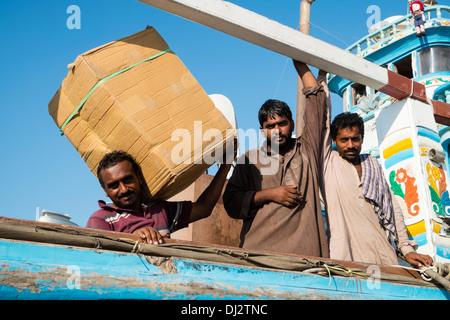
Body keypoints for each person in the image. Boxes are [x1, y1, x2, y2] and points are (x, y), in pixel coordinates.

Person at [222, 61, 329, 257]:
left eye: (283, 123)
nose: (277, 130)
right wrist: (269, 194)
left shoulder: (307, 149)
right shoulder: (249, 159)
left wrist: (299, 61)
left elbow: (316, 101)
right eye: (271, 126)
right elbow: (230, 203)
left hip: (307, 258)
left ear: (293, 124)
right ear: (263, 131)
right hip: (259, 256)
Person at [321, 95, 433, 267]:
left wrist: (406, 248)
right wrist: (321, 72)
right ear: (334, 141)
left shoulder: (372, 163)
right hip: (345, 258)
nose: (350, 145)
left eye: (355, 139)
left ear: (362, 138)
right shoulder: (329, 161)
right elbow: (319, 115)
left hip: (383, 256)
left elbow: (393, 209)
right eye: (344, 140)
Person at [86, 146, 235, 245]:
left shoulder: (159, 209)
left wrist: (225, 166)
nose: (123, 189)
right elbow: (98, 257)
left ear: (138, 177)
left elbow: (204, 208)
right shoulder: (100, 219)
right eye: (114, 186)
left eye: (128, 180)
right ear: (105, 190)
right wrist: (133, 239)